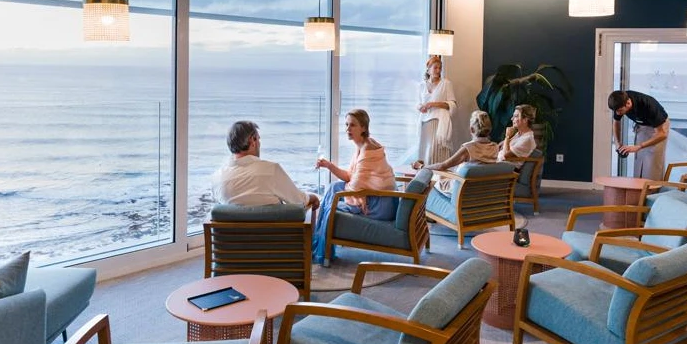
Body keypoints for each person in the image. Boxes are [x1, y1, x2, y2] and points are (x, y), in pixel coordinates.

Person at [312, 109, 397, 267]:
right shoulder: (362, 146)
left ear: (363, 128)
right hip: (377, 197)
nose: (347, 129)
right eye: (346, 125)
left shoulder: (368, 150)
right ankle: (321, 246)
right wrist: (328, 165)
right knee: (333, 188)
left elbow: (355, 186)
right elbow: (350, 177)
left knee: (331, 204)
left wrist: (339, 197)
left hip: (380, 204)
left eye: (352, 125)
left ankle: (323, 253)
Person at [210, 120, 320, 211]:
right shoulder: (271, 170)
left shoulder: (217, 178)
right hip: (273, 237)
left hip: (231, 237)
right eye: (258, 139)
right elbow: (299, 201)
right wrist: (313, 197)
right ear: (252, 141)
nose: (259, 143)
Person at [412, 110, 501, 196]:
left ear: (471, 129)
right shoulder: (495, 147)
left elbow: (442, 166)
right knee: (446, 175)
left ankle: (421, 209)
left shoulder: (468, 148)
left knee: (432, 178)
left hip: (463, 192)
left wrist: (422, 167)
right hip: (484, 191)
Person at [404, 55, 457, 165]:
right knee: (425, 151)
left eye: (440, 68)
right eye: (435, 68)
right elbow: (417, 103)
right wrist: (420, 107)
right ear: (428, 69)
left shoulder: (446, 83)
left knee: (436, 151)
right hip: (424, 122)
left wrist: (433, 104)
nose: (438, 70)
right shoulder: (422, 85)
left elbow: (453, 104)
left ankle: (438, 177)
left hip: (439, 122)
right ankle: (425, 177)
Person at [608, 89, 670, 181]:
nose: (618, 113)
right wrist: (618, 143)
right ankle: (640, 193)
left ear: (628, 103)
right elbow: (616, 122)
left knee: (652, 164)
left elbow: (662, 134)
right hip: (642, 126)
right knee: (639, 161)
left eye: (620, 111)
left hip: (659, 128)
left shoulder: (649, 106)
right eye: (616, 111)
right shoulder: (620, 101)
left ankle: (653, 193)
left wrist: (639, 146)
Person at [499, 104, 539, 168]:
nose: (512, 119)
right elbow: (500, 147)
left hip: (508, 169)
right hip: (500, 164)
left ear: (525, 120)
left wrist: (507, 137)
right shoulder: (519, 134)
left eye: (516, 116)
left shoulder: (527, 139)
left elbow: (505, 155)